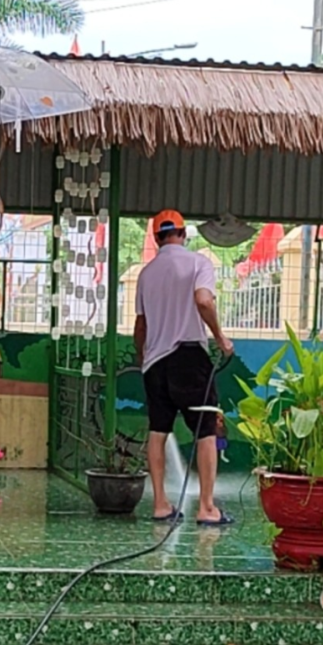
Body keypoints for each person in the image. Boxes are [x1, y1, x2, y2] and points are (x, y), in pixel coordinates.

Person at [133, 210, 234, 525]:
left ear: (156, 237)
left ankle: (160, 504)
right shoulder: (198, 263)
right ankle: (206, 508)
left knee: (158, 431)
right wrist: (220, 337)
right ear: (183, 233)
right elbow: (204, 301)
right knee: (205, 431)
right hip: (190, 357)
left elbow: (140, 325)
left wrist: (142, 357)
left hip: (155, 362)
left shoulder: (146, 274)